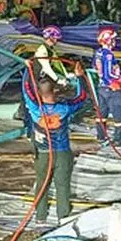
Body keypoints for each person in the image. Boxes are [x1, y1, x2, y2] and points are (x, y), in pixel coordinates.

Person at [23, 62, 89, 224]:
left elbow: (26, 89)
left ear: (39, 93)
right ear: (54, 91)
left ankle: (40, 217)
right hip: (62, 153)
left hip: (43, 155)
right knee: (63, 185)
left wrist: (28, 69)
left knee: (42, 185)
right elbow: (81, 97)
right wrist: (80, 77)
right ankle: (63, 217)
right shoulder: (64, 108)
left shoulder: (34, 109)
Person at [92, 27, 121, 145]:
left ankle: (101, 136)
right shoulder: (108, 55)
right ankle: (119, 139)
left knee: (102, 113)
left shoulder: (98, 52)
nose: (115, 41)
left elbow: (96, 67)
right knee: (118, 113)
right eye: (113, 39)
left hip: (101, 87)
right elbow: (108, 74)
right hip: (112, 87)